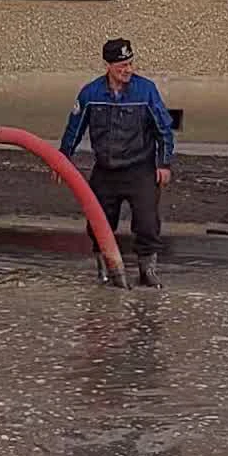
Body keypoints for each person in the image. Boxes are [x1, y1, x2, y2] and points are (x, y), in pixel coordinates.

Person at [58, 38, 175, 288]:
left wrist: (164, 164)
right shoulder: (90, 94)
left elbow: (164, 129)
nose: (128, 70)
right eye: (122, 65)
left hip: (140, 169)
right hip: (106, 170)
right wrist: (62, 160)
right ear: (108, 65)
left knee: (147, 222)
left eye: (131, 63)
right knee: (99, 221)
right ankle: (105, 270)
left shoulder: (146, 91)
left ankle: (147, 270)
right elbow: (74, 129)